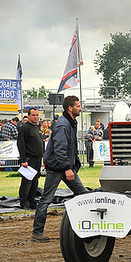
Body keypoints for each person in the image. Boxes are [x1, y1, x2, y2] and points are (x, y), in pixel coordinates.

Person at [31, 96, 88, 242]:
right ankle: (37, 233)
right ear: (70, 108)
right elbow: (60, 149)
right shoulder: (63, 125)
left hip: (64, 166)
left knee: (83, 194)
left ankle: (85, 227)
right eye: (78, 106)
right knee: (46, 199)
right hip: (58, 168)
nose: (80, 108)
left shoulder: (69, 123)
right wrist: (68, 168)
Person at [17, 108, 45, 210]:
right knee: (27, 182)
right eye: (33, 115)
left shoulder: (37, 127)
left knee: (35, 181)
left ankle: (32, 201)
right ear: (28, 116)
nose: (36, 117)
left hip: (38, 158)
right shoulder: (24, 128)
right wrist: (23, 159)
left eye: (37, 115)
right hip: (29, 159)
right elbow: (21, 144)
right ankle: (24, 203)